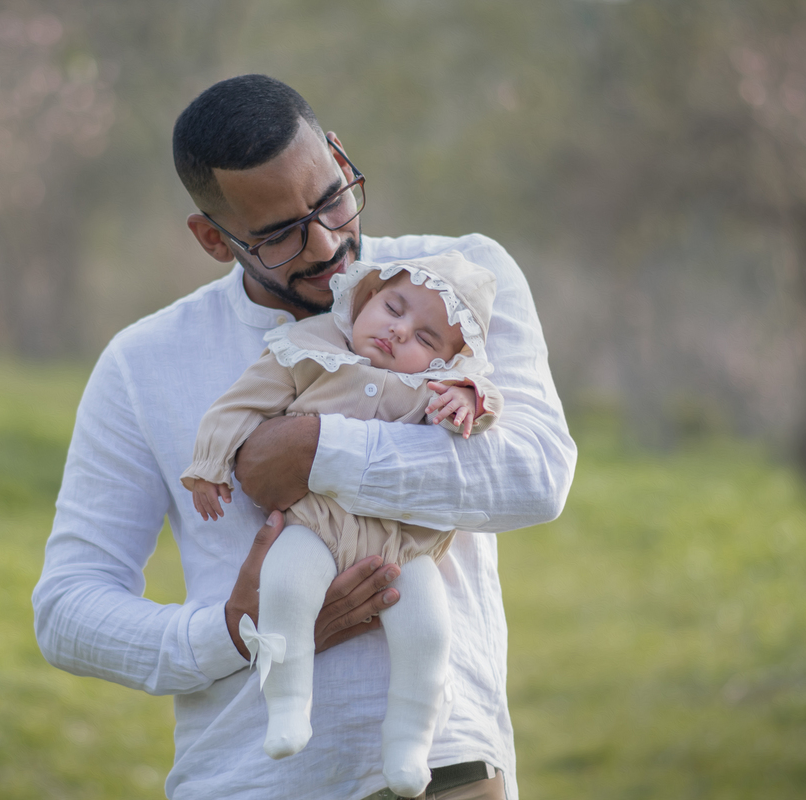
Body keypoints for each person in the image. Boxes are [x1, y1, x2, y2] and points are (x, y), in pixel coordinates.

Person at [32, 74, 577, 800]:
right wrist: (234, 632)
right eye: (279, 234)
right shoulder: (144, 362)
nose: (326, 245)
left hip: (445, 770)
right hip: (249, 780)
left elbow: (537, 474)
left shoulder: (459, 286)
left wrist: (321, 451)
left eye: (330, 200)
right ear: (212, 240)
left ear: (341, 156)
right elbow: (68, 611)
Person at [182, 251, 505, 798]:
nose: (400, 332)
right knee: (284, 587)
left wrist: (470, 397)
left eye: (426, 339)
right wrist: (208, 464)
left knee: (427, 633)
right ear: (364, 298)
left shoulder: (435, 388)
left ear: (447, 360)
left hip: (401, 549)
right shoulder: (307, 350)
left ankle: (408, 740)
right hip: (314, 526)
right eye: (392, 308)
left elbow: (491, 404)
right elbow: (238, 405)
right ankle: (287, 705)